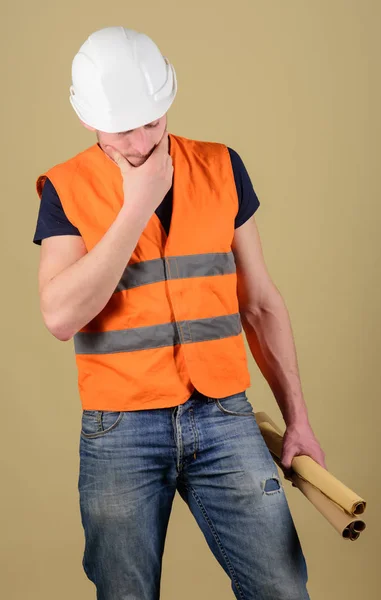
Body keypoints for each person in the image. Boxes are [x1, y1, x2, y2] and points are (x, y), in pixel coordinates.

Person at [33, 26, 326, 600]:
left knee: (282, 587)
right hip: (120, 428)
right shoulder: (66, 188)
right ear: (89, 118)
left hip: (224, 416)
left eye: (153, 121)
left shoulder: (220, 166)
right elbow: (60, 316)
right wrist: (138, 205)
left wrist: (298, 418)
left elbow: (260, 303)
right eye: (124, 128)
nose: (142, 140)